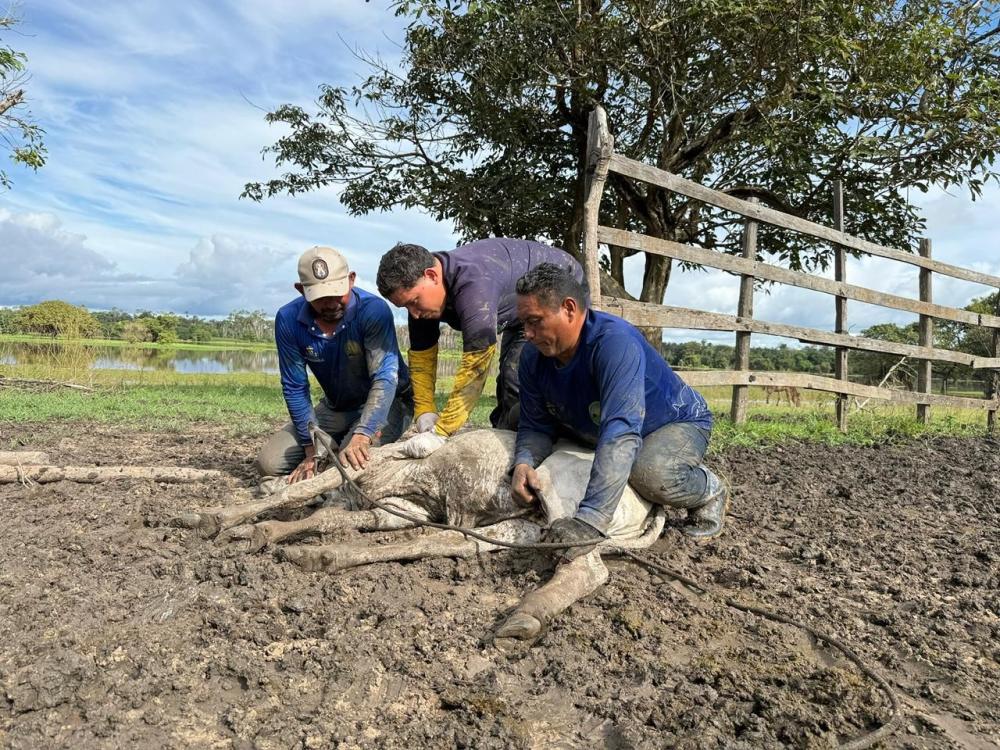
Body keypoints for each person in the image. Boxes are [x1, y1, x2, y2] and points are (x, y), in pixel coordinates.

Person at [508, 263, 728, 560]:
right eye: (524, 323)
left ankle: (709, 490)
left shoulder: (614, 343)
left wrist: (591, 519)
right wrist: (523, 462)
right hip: (591, 420)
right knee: (512, 416)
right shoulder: (533, 356)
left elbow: (621, 430)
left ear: (569, 309)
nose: (528, 333)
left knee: (651, 473)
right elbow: (534, 424)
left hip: (670, 422)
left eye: (535, 321)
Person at [376, 238, 583, 436]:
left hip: (559, 286)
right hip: (513, 310)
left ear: (432, 275)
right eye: (405, 307)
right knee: (507, 383)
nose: (413, 314)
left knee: (518, 377)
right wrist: (425, 411)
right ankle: (505, 440)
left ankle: (545, 441)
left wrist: (443, 430)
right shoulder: (423, 300)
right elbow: (422, 360)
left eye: (414, 302)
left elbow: (475, 368)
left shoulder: (474, 283)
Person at [255, 246, 413, 482]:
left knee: (349, 467)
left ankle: (341, 447)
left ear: (351, 280)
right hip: (336, 407)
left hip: (388, 403)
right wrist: (311, 447)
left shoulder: (373, 311)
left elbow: (384, 377)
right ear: (301, 290)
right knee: (269, 464)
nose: (330, 304)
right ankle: (329, 446)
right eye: (320, 297)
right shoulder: (288, 319)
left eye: (337, 293)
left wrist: (364, 434)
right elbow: (295, 386)